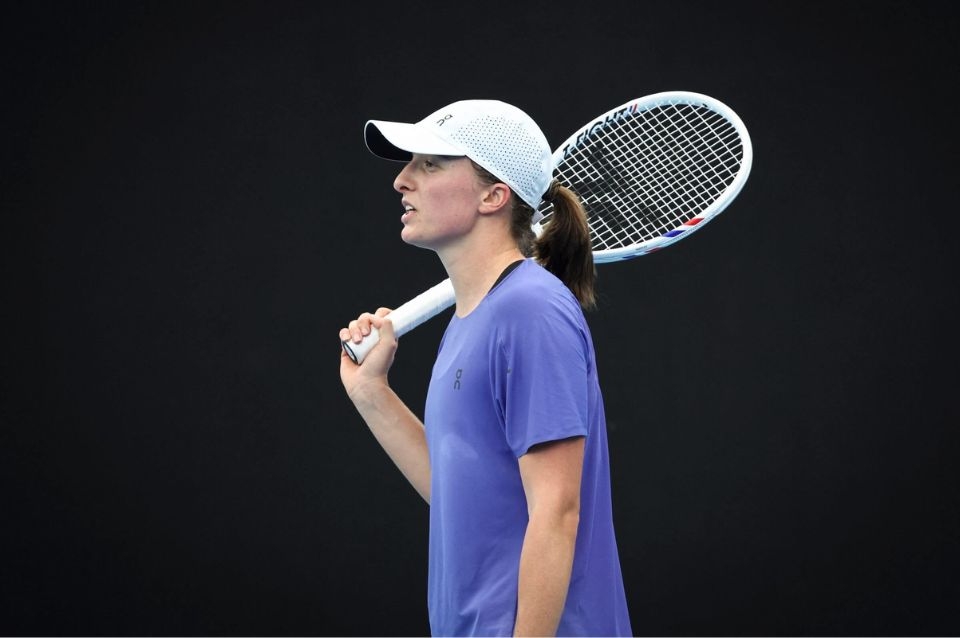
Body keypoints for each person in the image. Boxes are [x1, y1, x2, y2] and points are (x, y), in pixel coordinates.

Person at [338, 99, 632, 637]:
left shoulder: (531, 310)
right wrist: (371, 391)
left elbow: (557, 512)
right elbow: (460, 493)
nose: (402, 180)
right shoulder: (472, 320)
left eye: (430, 164)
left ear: (493, 196)